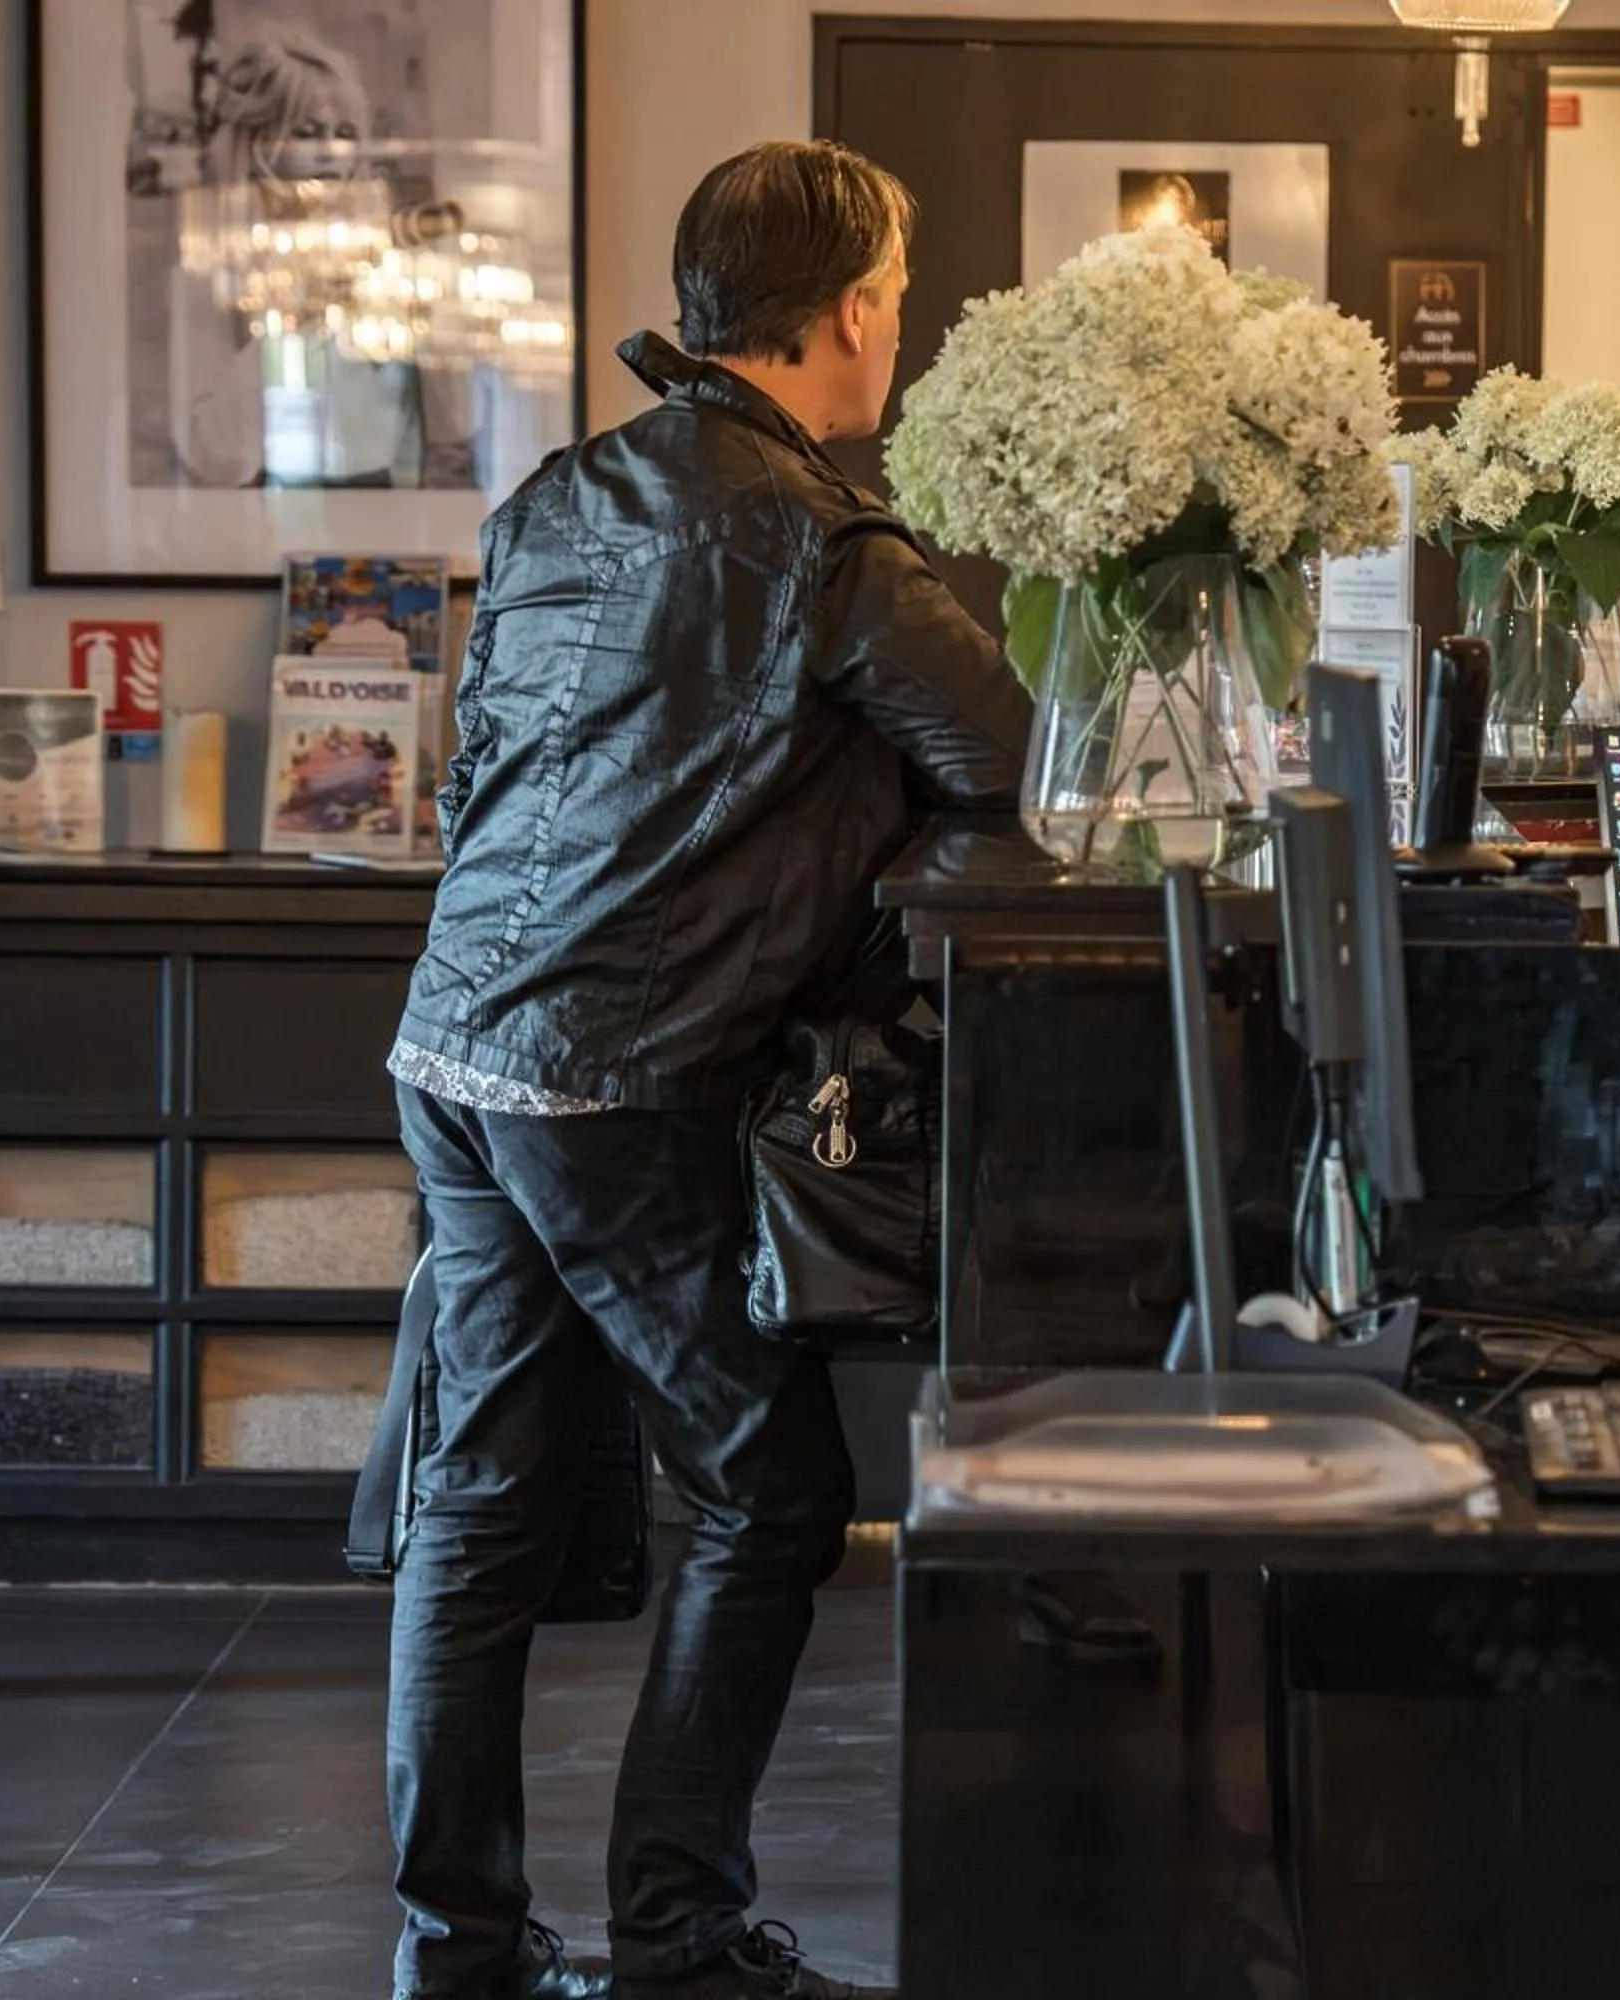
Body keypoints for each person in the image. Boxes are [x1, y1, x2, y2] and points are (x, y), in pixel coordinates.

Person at [385, 141, 1029, 2000]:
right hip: (611, 1083)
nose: (898, 323)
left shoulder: (557, 498)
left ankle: (459, 1954)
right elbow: (1005, 762)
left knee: (480, 1501)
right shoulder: (824, 540)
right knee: (768, 1493)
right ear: (845, 315)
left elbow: (486, 780)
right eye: (896, 292)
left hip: (454, 1050)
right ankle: (673, 1941)